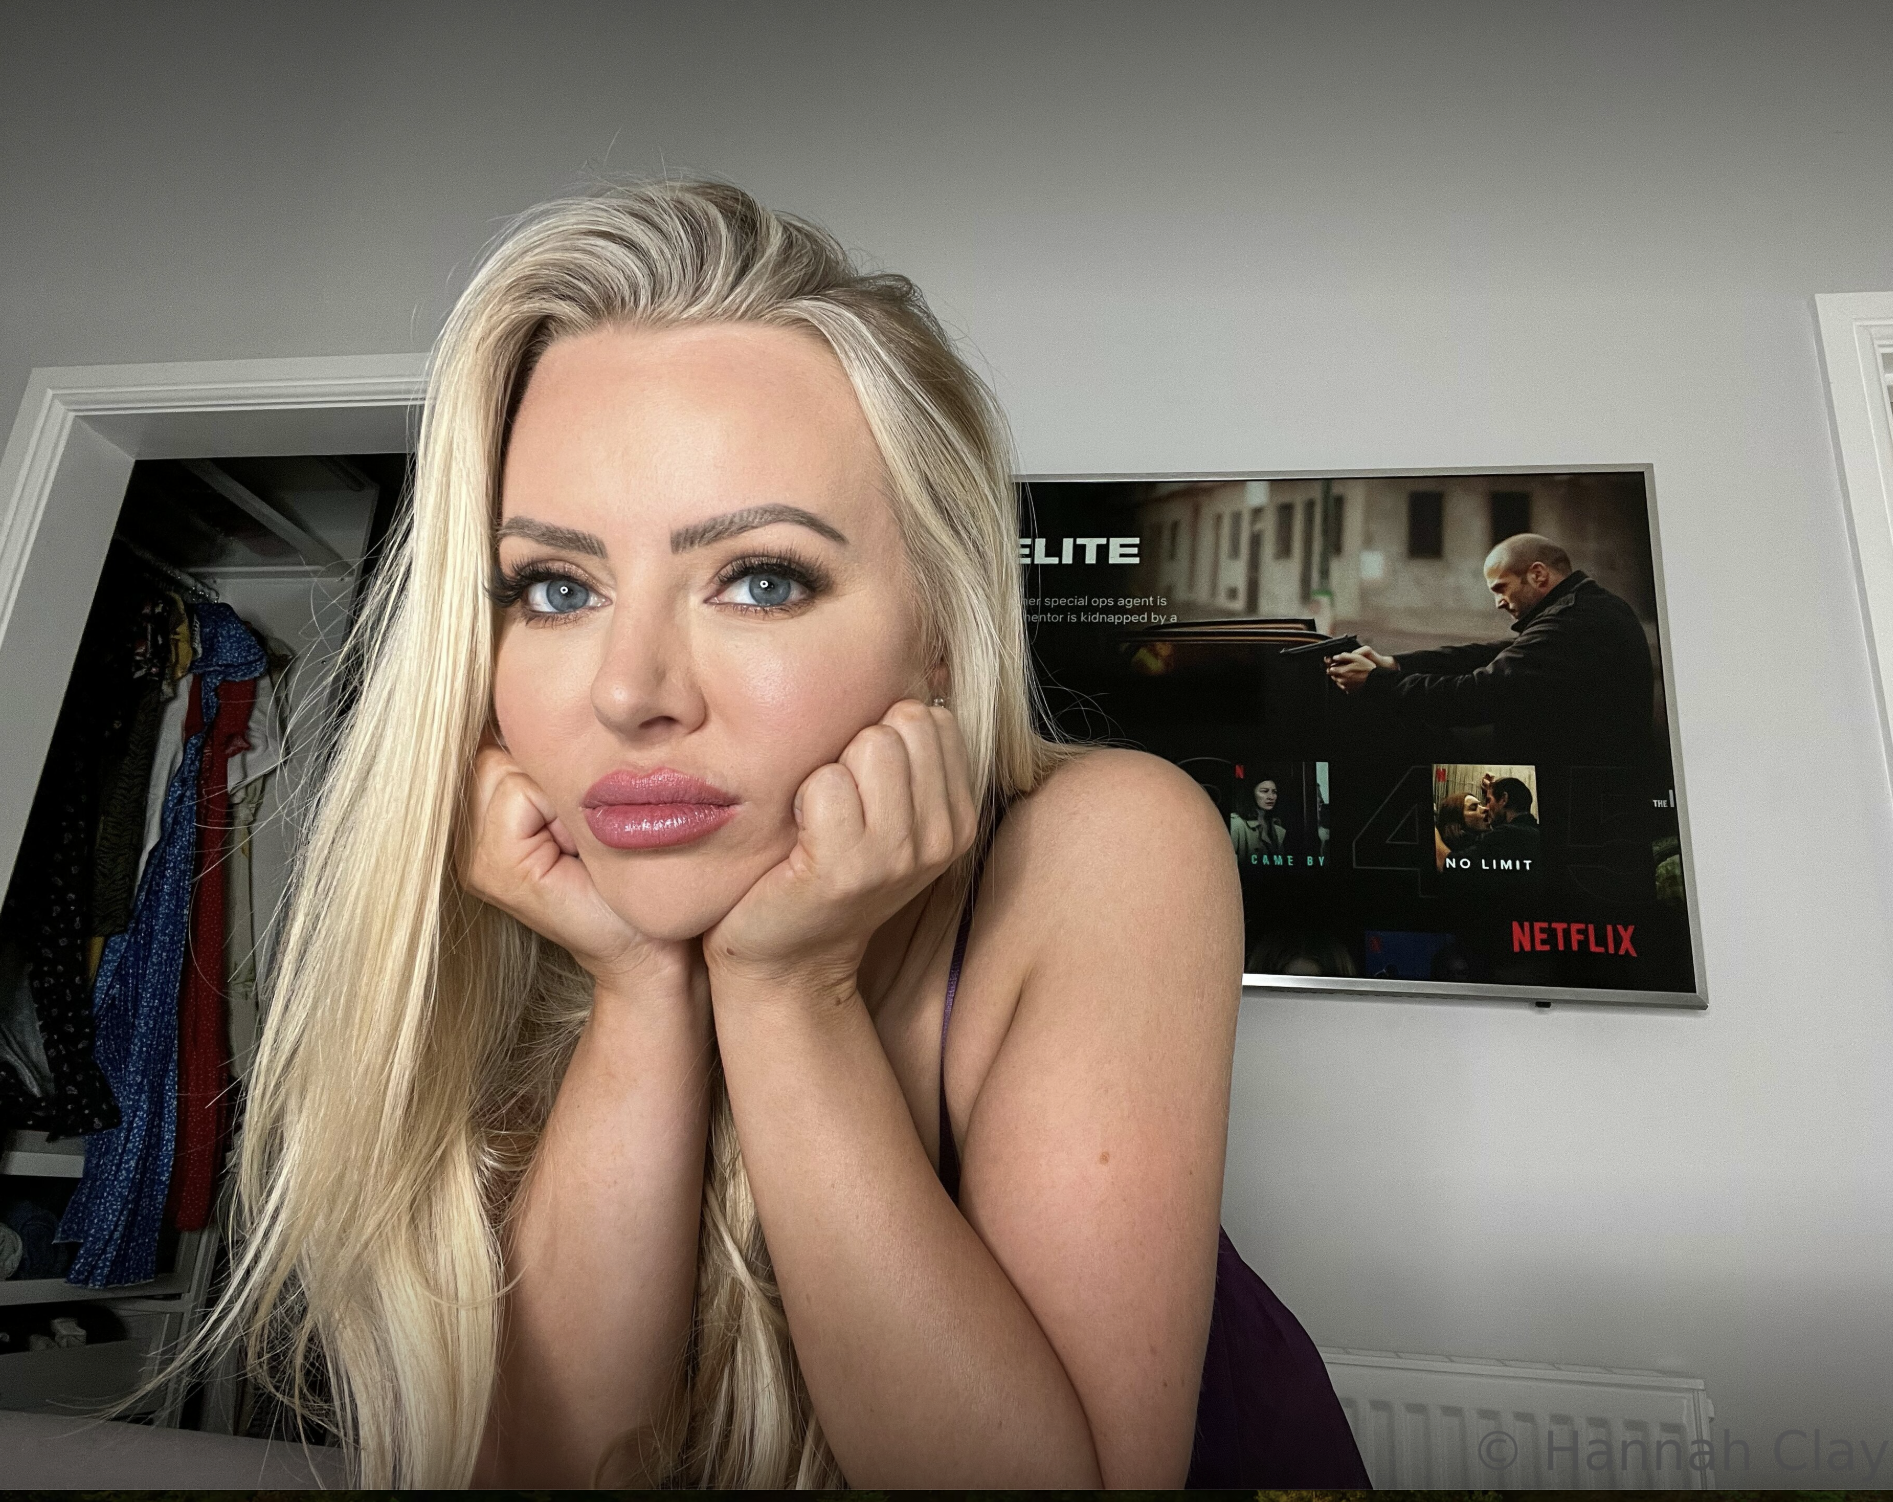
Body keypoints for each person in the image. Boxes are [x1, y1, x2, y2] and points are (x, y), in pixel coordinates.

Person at [181, 181, 1368, 1490]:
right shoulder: (520, 927)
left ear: (938, 630)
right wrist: (640, 982)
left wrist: (790, 985)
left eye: (760, 578)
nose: (630, 691)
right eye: (558, 587)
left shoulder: (1103, 844)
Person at [1324, 533, 1656, 767]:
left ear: (1537, 574)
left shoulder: (1574, 622)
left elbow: (1476, 695)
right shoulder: (1583, 608)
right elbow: (1486, 654)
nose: (1498, 602)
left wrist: (1376, 683)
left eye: (1501, 588)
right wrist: (1392, 664)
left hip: (1576, 788)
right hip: (1575, 768)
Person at [1228, 775, 1289, 864]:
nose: (1271, 797)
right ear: (1251, 793)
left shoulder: (1275, 826)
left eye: (1274, 792)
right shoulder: (1236, 824)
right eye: (1264, 791)